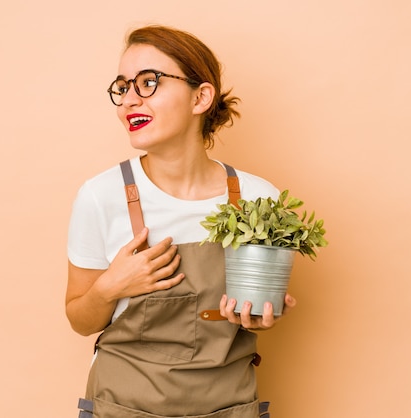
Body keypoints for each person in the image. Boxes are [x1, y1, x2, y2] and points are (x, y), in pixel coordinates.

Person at [66, 25, 297, 418]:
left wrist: (259, 317)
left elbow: (256, 307)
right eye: (122, 87)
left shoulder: (260, 200)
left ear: (201, 97)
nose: (128, 100)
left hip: (227, 408)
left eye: (148, 82)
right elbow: (79, 319)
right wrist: (111, 287)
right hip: (122, 407)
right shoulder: (100, 196)